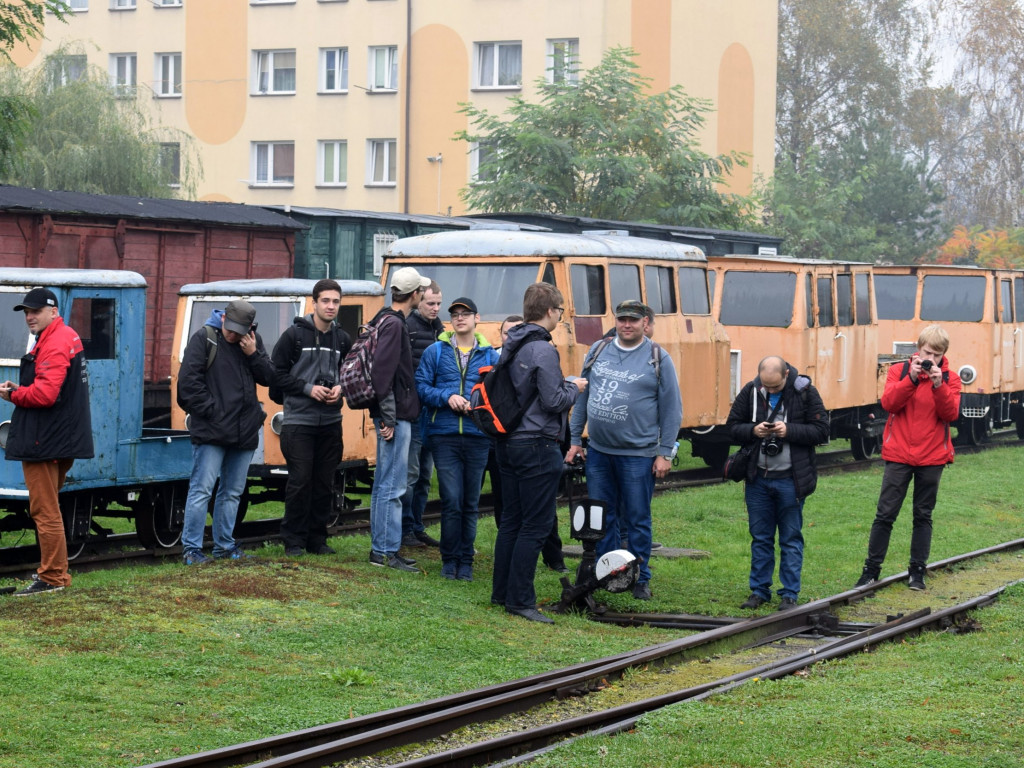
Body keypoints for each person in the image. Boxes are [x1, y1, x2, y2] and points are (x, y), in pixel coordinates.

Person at [565, 300, 682, 601]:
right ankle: (609, 573)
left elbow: (671, 410)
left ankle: (640, 576)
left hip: (638, 454)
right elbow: (582, 396)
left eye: (633, 320)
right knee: (602, 517)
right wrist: (575, 439)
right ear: (615, 321)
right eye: (622, 320)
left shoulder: (658, 358)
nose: (626, 325)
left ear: (645, 323)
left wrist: (664, 452)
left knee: (637, 517)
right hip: (600, 452)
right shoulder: (598, 350)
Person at [490, 283, 586, 624]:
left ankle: (502, 593)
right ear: (550, 311)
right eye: (560, 310)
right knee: (537, 523)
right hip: (537, 444)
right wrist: (574, 387)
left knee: (512, 521)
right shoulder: (542, 350)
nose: (561, 316)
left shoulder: (511, 344)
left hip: (508, 441)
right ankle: (520, 601)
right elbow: (553, 401)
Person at [0, 288, 93, 596]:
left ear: (53, 311)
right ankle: (56, 574)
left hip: (45, 439)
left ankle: (52, 577)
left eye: (35, 311)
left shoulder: (53, 343)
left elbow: (45, 394)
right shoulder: (66, 336)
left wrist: (13, 394)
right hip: (61, 436)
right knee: (50, 508)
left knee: (45, 510)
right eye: (26, 312)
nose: (29, 317)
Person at [854, 325, 961, 591]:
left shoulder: (951, 379)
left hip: (933, 457)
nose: (930, 359)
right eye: (926, 352)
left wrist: (938, 384)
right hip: (899, 454)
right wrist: (911, 379)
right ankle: (871, 571)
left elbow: (950, 415)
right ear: (918, 349)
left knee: (923, 515)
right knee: (885, 514)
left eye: (936, 355)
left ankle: (917, 572)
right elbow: (889, 404)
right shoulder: (898, 371)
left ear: (943, 355)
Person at [727, 355, 829, 610]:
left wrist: (789, 430)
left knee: (790, 538)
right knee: (760, 537)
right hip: (757, 479)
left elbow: (822, 431)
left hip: (791, 480)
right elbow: (730, 428)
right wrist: (753, 430)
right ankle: (759, 591)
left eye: (775, 387)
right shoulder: (751, 390)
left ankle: (789, 593)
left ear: (786, 374)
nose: (770, 390)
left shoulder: (804, 391)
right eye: (766, 386)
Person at [177, 299, 274, 564]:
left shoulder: (252, 342)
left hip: (243, 433)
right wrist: (214, 412)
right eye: (230, 328)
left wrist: (253, 353)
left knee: (232, 492)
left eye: (239, 330)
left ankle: (224, 546)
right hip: (212, 430)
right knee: (202, 490)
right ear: (223, 319)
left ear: (249, 327)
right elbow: (187, 386)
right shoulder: (204, 338)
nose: (233, 334)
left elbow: (269, 378)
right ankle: (192, 550)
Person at [416, 297, 498, 580]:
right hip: (444, 435)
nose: (460, 318)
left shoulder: (491, 356)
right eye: (455, 314)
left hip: (477, 436)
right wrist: (446, 396)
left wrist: (476, 405)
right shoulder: (435, 351)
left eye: (466, 314)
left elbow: (499, 395)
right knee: (452, 500)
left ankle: (467, 561)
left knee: (470, 502)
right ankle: (449, 560)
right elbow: (421, 387)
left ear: (477, 318)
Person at [272, 278, 352, 556]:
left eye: (336, 301)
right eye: (326, 301)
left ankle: (317, 540)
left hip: (331, 423)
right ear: (315, 302)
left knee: (323, 482)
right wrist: (308, 389)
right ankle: (293, 540)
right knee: (300, 480)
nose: (331, 306)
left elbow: (351, 375)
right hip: (298, 423)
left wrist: (341, 389)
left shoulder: (342, 339)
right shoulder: (293, 336)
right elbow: (276, 376)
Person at [367, 266, 431, 572]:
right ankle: (385, 551)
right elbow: (382, 375)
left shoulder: (383, 318)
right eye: (422, 291)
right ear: (415, 294)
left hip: (393, 414)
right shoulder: (394, 324)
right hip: (396, 416)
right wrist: (389, 418)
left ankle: (383, 548)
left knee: (385, 485)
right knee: (392, 487)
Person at [401, 280, 444, 550]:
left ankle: (416, 526)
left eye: (439, 304)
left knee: (425, 474)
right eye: (430, 303)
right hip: (415, 409)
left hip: (432, 411)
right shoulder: (409, 326)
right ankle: (405, 528)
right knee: (411, 473)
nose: (435, 308)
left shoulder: (439, 328)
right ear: (419, 301)